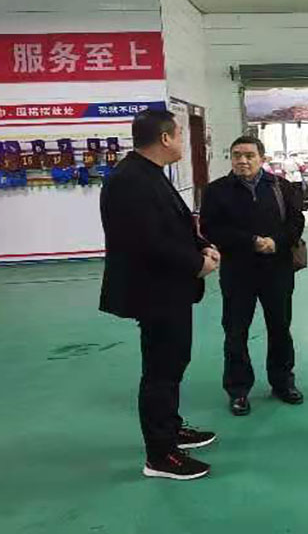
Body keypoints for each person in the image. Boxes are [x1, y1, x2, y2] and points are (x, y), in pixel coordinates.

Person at [99, 109, 220, 481]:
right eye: (180, 135)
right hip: (154, 291)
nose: (182, 142)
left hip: (169, 288)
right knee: (161, 371)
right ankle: (160, 455)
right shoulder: (130, 181)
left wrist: (201, 245)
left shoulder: (148, 174)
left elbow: (173, 227)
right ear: (165, 138)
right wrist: (196, 264)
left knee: (173, 362)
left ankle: (170, 429)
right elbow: (147, 241)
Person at [200, 135, 306, 417]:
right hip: (238, 272)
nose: (242, 161)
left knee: (280, 328)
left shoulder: (281, 187)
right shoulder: (216, 191)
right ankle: (238, 390)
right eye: (237, 155)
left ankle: (283, 383)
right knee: (236, 331)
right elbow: (210, 227)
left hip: (277, 270)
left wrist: (276, 242)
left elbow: (296, 221)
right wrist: (251, 241)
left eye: (249, 155)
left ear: (262, 158)